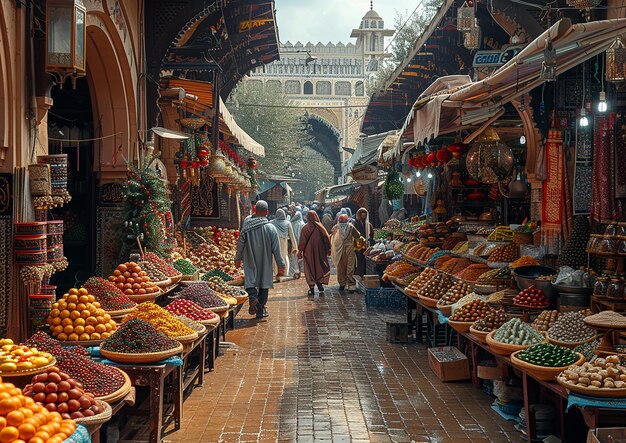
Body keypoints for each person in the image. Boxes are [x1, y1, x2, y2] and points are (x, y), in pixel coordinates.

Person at [235, 200, 284, 319]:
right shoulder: (271, 228)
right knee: (264, 282)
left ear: (254, 210)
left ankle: (252, 298)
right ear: (267, 212)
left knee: (250, 279)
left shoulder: (247, 225)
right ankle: (260, 310)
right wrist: (280, 265)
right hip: (265, 261)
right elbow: (276, 249)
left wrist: (238, 258)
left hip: (250, 258)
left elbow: (240, 243)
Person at [298, 211, 331, 295]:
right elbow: (326, 238)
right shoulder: (321, 227)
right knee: (319, 266)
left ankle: (311, 288)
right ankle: (320, 284)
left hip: (308, 252)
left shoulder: (305, 228)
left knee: (309, 268)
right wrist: (328, 249)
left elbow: (302, 242)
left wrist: (300, 251)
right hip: (320, 251)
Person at [330, 214, 361, 292]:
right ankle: (342, 283)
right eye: (341, 221)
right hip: (339, 250)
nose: (343, 223)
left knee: (350, 267)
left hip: (349, 249)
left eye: (344, 221)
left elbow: (358, 236)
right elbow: (332, 236)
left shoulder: (351, 227)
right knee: (340, 267)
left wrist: (358, 247)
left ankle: (351, 284)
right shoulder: (336, 227)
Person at [271, 209, 297, 282]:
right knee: (284, 256)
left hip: (274, 241)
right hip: (284, 241)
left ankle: (276, 273)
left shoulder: (272, 222)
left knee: (275, 256)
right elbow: (292, 235)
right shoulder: (288, 223)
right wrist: (295, 246)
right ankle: (285, 272)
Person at [354, 208, 374, 278]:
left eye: (364, 215)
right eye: (362, 215)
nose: (363, 216)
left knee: (366, 257)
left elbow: (372, 234)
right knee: (359, 257)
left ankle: (365, 272)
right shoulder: (356, 223)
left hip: (366, 242)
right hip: (359, 242)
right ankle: (360, 272)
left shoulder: (369, 225)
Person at [289, 210, 306, 279]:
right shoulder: (303, 224)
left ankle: (296, 272)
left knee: (294, 258)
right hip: (301, 243)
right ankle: (300, 271)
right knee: (301, 258)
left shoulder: (290, 224)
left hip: (293, 244)